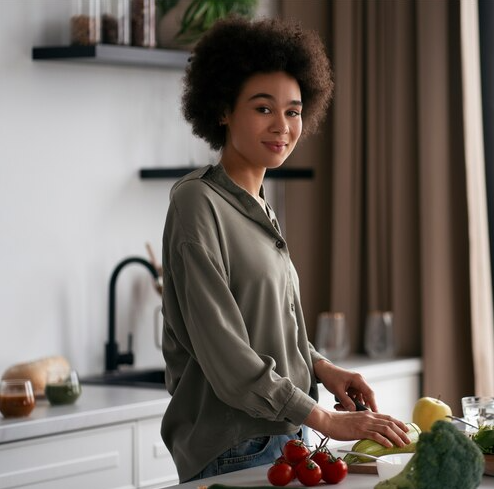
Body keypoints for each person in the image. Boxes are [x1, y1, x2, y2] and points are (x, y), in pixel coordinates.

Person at [159, 16, 410, 483]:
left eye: (293, 111)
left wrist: (322, 366)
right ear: (222, 110)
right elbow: (228, 357)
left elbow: (269, 323)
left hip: (282, 436)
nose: (282, 126)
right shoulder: (197, 202)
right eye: (262, 108)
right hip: (233, 444)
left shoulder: (258, 207)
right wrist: (329, 420)